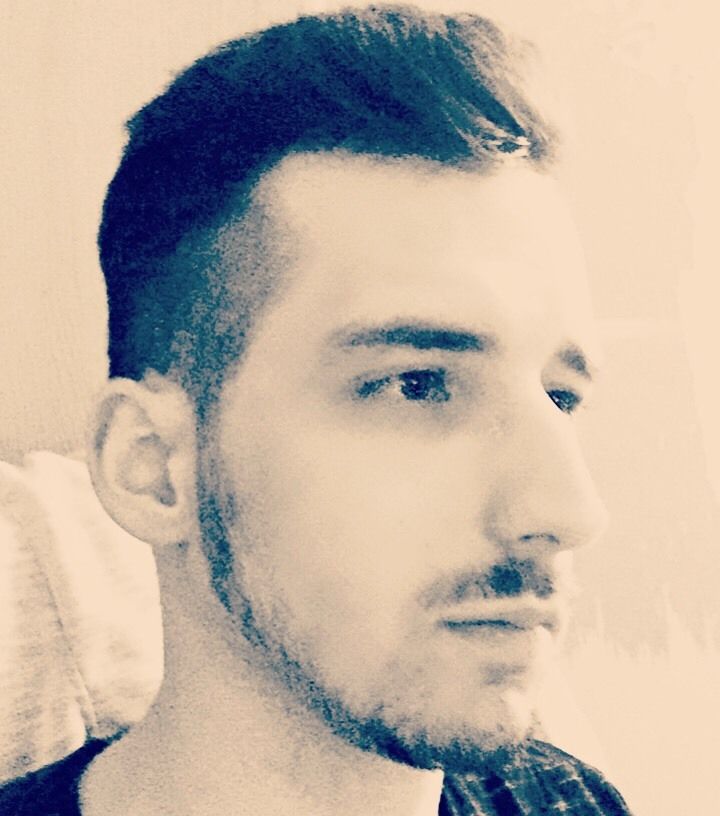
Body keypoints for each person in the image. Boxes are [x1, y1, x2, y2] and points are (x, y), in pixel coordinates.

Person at [0, 5, 633, 814]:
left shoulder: (569, 798)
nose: (570, 511)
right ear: (153, 468)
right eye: (417, 384)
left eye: (560, 397)